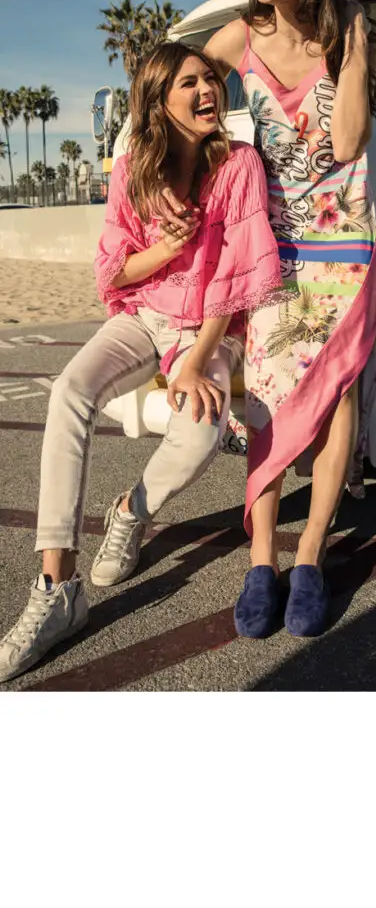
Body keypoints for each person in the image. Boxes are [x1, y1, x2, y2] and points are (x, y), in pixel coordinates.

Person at [0, 44, 280, 681]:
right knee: (68, 390)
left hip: (208, 329)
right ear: (159, 100)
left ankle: (131, 511)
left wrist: (195, 363)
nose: (209, 89)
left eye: (212, 78)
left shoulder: (238, 165)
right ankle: (55, 590)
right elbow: (115, 270)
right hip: (144, 313)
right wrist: (166, 247)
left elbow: (232, 278)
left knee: (202, 430)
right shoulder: (132, 169)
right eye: (190, 82)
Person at [204, 0, 376, 639]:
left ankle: (308, 556)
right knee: (269, 394)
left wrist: (357, 50)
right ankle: (261, 559)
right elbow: (176, 91)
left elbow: (345, 145)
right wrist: (204, 158)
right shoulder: (238, 36)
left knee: (336, 394)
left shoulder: (346, 32)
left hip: (343, 240)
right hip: (271, 243)